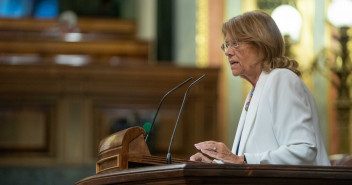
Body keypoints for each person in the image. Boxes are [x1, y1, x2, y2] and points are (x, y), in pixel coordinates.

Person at [190, 10, 331, 166]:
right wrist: (215, 166)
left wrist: (239, 160)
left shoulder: (281, 79)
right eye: (227, 45)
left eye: (235, 43)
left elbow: (303, 150)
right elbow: (249, 157)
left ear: (261, 44)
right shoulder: (256, 90)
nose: (228, 52)